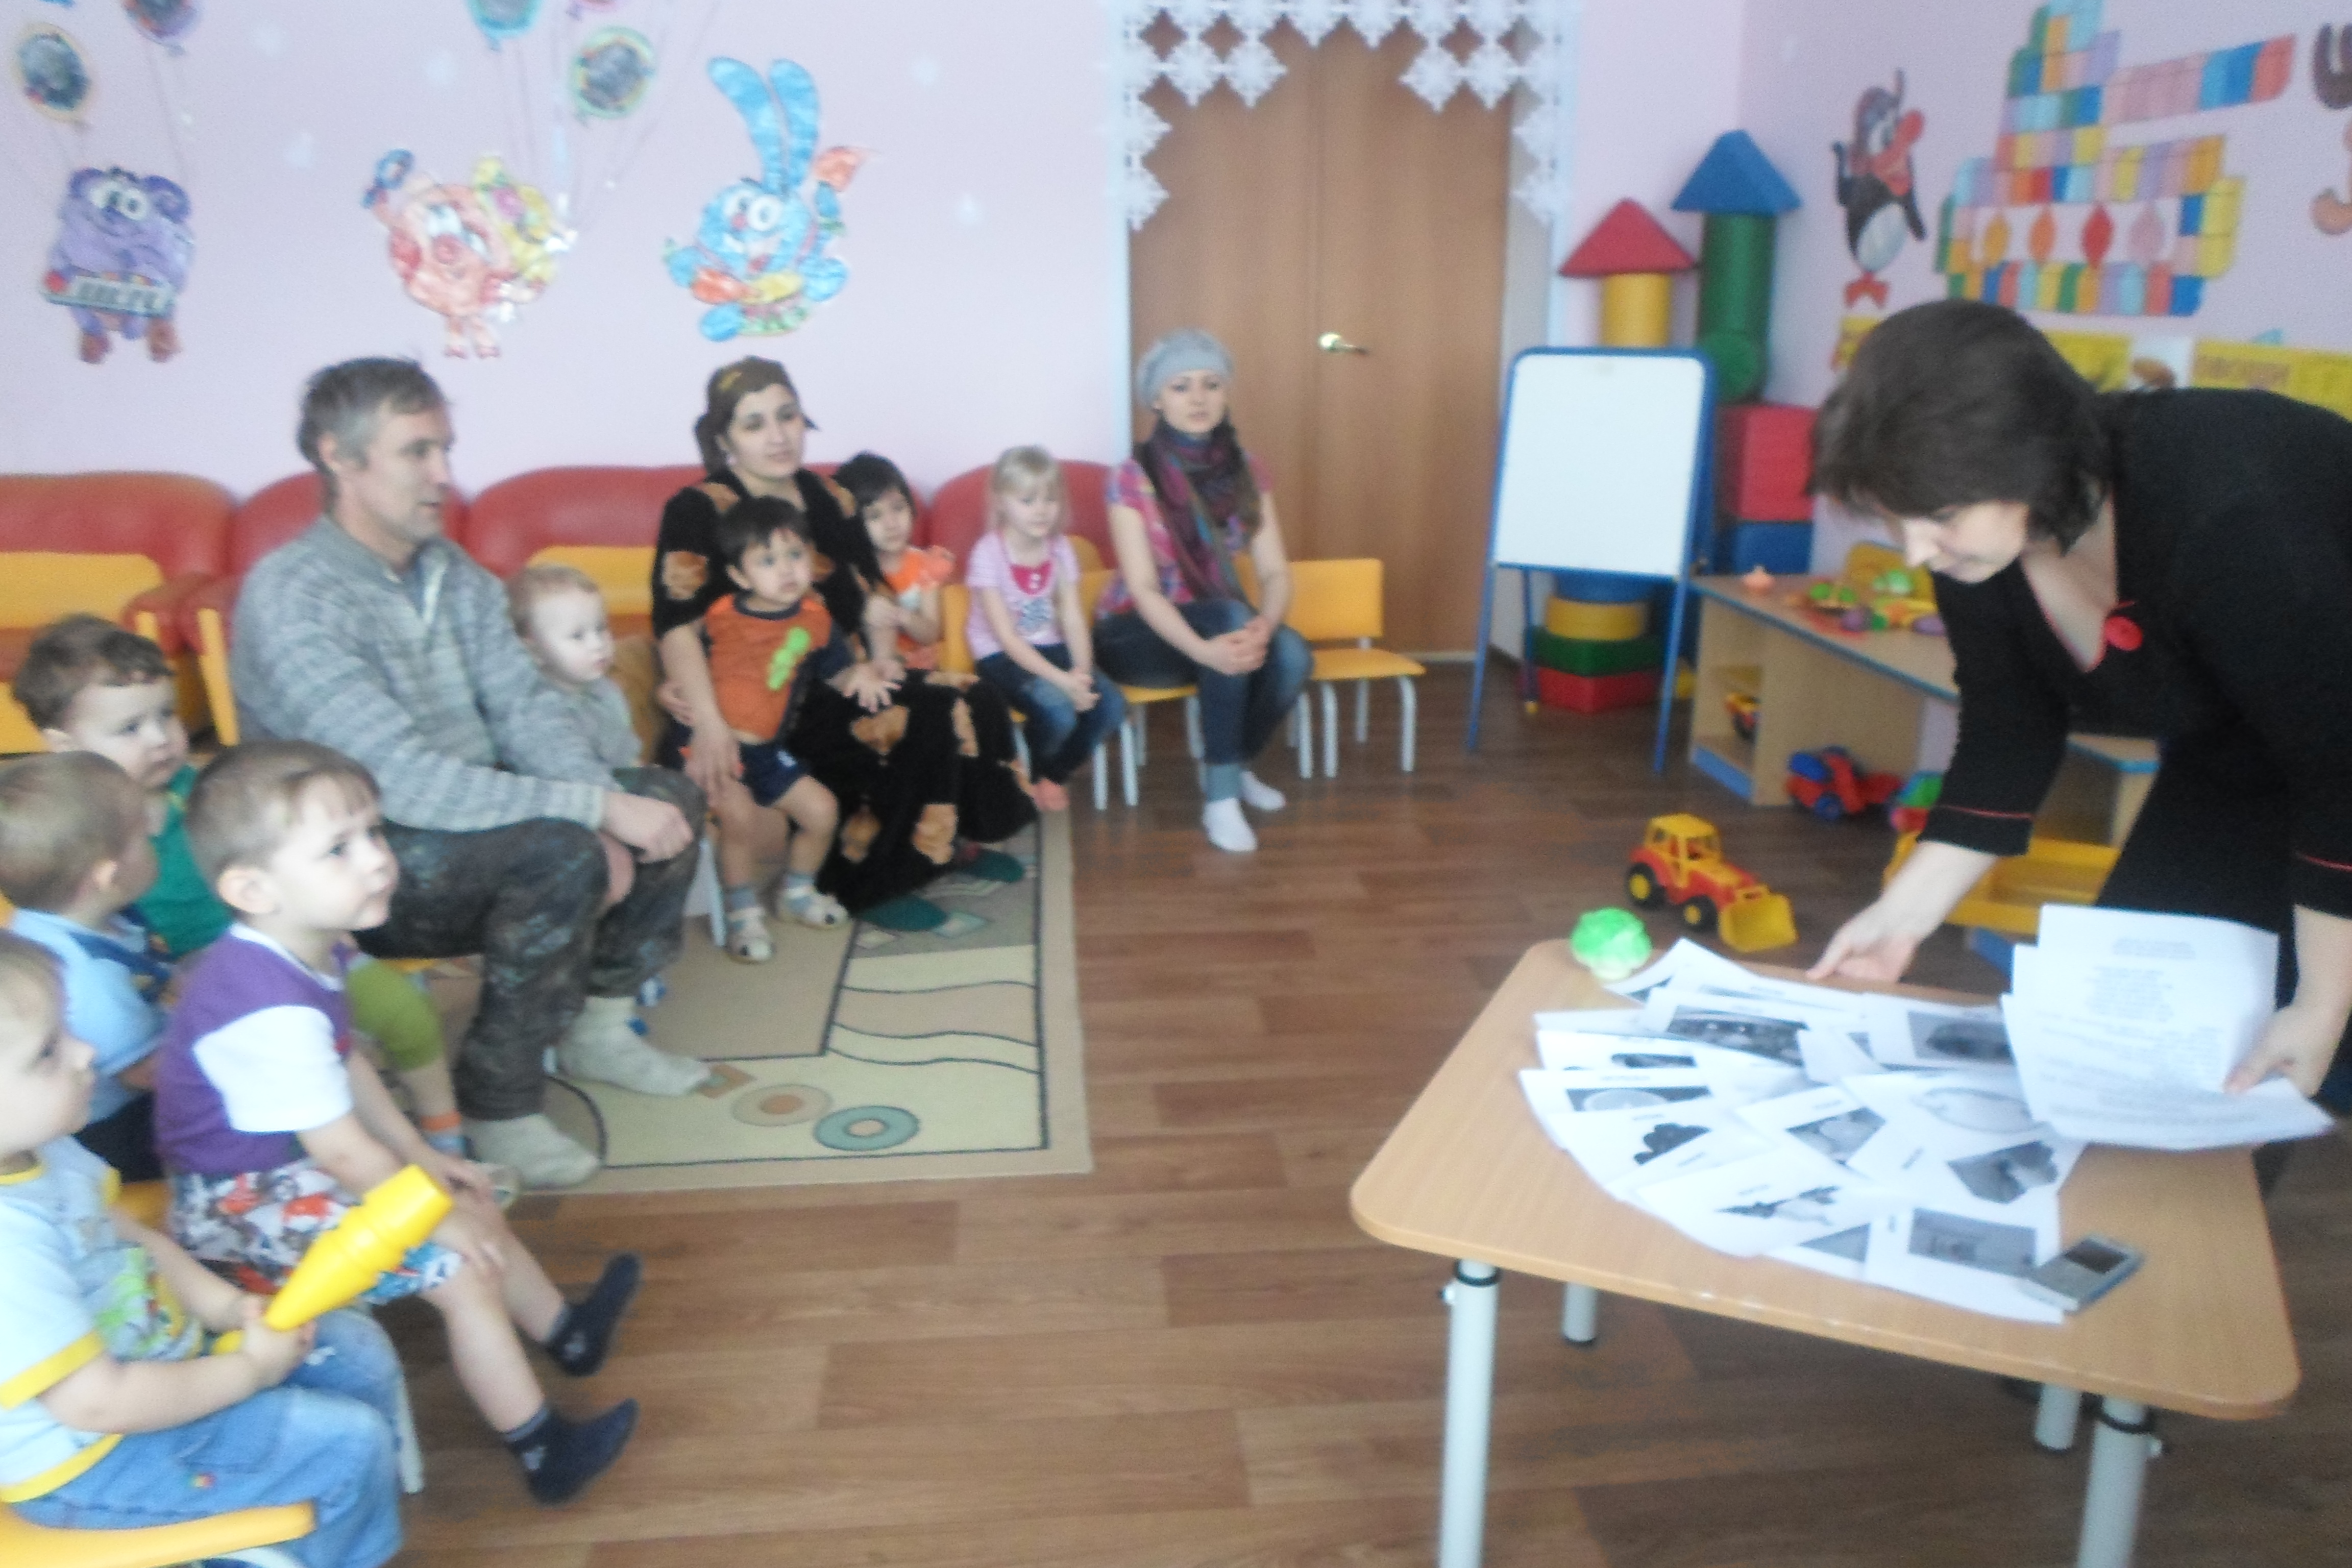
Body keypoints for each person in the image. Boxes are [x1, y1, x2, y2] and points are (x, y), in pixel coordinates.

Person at [1808, 299, 2352, 1126]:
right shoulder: (1983, 552)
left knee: (2310, 1034)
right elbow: (2007, 728)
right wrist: (1901, 915)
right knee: (2152, 1025)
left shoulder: (2228, 514)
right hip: (2244, 748)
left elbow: (2338, 768)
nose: (1915, 550)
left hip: (2338, 741)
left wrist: (2322, 997)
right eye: (1896, 516)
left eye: (1940, 519)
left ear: (2031, 462)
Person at [233, 358, 709, 1190]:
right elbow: (400, 780)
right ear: (339, 456)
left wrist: (607, 804)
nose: (443, 474)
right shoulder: (293, 597)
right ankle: (500, 1102)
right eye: (417, 452)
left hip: (465, 820)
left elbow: (527, 710)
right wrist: (590, 813)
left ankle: (599, 1029)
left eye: (445, 449)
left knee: (666, 798)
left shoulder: (455, 574)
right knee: (561, 851)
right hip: (351, 859)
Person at [156, 742, 642, 1506]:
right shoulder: (267, 1006)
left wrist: (420, 1154)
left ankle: (565, 1332)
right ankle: (543, 1447)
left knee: (463, 1194)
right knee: (459, 1267)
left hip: (290, 1169)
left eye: (373, 834)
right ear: (252, 888)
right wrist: (436, 1217)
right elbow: (345, 1153)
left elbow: (344, 1061)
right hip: (237, 1204)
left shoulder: (303, 947)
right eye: (339, 849)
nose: (377, 859)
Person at [0, 929, 404, 1568]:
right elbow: (98, 1402)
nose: (86, 1051)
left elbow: (135, 1241)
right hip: (93, 1462)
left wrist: (226, 1309)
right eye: (48, 1052)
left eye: (67, 1028)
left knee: (354, 1354)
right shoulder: (9, 1247)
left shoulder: (46, 1153)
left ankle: (296, 1537)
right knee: (347, 1447)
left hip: (160, 1367)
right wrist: (249, 1372)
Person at [15, 614, 465, 1157]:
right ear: (65, 744)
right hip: (213, 1011)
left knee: (398, 1013)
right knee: (325, 1079)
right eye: (130, 728)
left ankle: (440, 1132)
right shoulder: (86, 857)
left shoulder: (205, 792)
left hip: (273, 950)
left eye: (166, 714)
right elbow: (154, 1056)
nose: (160, 739)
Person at [650, 358, 1034, 932]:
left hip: (836, 671)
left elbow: (866, 595)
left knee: (974, 696)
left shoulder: (831, 497)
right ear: (725, 438)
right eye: (754, 424)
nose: (778, 435)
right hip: (758, 700)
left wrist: (880, 662)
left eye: (787, 416)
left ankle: (952, 838)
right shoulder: (698, 509)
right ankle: (868, 883)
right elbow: (676, 623)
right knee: (919, 717)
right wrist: (707, 722)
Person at [1096, 328, 1311, 853]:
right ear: (1156, 400)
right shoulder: (1131, 476)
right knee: (1228, 620)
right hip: (1136, 634)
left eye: (1211, 384)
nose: (1198, 398)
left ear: (1225, 392)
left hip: (1221, 627)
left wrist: (1266, 627)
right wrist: (1203, 649)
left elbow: (1276, 573)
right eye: (1181, 386)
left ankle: (1235, 767)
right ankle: (1220, 800)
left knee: (1291, 654)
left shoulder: (1247, 471)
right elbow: (1144, 589)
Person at [686, 496, 898, 958]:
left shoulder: (817, 620)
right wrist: (671, 690)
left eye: (795, 555)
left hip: (765, 751)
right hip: (716, 748)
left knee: (822, 811)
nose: (786, 570)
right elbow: (689, 665)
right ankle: (742, 913)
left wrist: (861, 675)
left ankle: (796, 892)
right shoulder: (721, 614)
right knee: (739, 820)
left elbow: (839, 672)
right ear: (740, 576)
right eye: (767, 561)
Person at [0, 753, 168, 1181]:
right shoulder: (92, 980)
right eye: (141, 832)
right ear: (108, 876)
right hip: (112, 1126)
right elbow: (147, 1074)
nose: (155, 831)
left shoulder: (76, 917)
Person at [966, 445, 1126, 812]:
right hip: (1000, 656)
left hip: (1050, 646)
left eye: (1050, 499)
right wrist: (1063, 682)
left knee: (1112, 705)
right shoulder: (987, 554)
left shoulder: (1060, 549)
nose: (1041, 510)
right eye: (1028, 500)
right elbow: (1008, 638)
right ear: (1002, 503)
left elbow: (1072, 618)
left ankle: (1052, 775)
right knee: (1059, 711)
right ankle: (1036, 769)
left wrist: (1082, 674)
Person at [509, 563, 646, 774]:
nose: (597, 645)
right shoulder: (539, 715)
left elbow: (626, 755)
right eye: (577, 636)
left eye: (600, 628)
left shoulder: (605, 690)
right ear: (534, 651)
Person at [836, 451, 953, 671]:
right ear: (854, 523)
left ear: (911, 508)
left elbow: (931, 633)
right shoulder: (851, 572)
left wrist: (901, 615)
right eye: (875, 516)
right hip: (868, 668)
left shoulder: (925, 565)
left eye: (898, 508)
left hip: (918, 666)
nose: (891, 524)